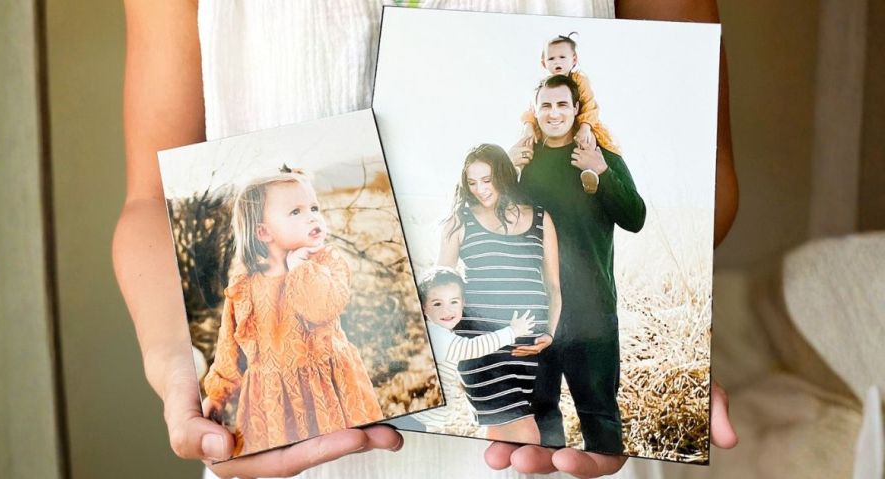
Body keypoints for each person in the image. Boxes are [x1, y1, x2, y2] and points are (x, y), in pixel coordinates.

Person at [117, 1, 739, 477]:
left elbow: (705, 170)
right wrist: (178, 363)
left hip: (552, 441)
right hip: (290, 448)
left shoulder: (567, 167)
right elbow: (150, 199)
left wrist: (602, 312)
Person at [201, 171, 383, 457]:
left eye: (314, 208)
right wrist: (217, 394)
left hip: (328, 385)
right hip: (274, 396)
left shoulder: (326, 262)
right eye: (296, 211)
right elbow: (230, 345)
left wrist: (300, 267)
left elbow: (321, 307)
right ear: (263, 232)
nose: (312, 217)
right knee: (285, 457)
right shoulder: (245, 283)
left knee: (352, 448)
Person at [511, 73, 645, 453]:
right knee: (541, 415)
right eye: (546, 105)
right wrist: (507, 168)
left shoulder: (602, 156)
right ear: (535, 112)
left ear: (575, 109)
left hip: (593, 310)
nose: (554, 113)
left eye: (562, 104)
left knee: (600, 415)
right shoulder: (524, 163)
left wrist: (600, 170)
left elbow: (635, 218)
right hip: (535, 310)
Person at [437, 143, 561, 445]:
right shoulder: (459, 223)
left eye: (487, 179)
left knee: (502, 441)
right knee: (528, 437)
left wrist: (550, 334)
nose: (480, 189)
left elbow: (554, 286)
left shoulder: (541, 219)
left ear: (504, 176)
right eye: (472, 182)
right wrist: (452, 344)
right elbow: (439, 287)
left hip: (527, 350)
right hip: (481, 347)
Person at [410, 267, 535, 433]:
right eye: (437, 303)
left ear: (463, 303)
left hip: (423, 416)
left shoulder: (439, 331)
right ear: (424, 307)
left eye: (453, 301)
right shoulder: (435, 334)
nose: (447, 310)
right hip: (418, 417)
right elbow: (471, 348)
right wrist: (512, 332)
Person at [519, 33, 619, 153]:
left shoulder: (579, 80)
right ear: (544, 63)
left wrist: (585, 126)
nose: (557, 62)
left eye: (562, 57)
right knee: (529, 139)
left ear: (574, 59)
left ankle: (588, 169)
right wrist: (528, 126)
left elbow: (589, 105)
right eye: (551, 58)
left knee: (589, 139)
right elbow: (532, 109)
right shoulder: (543, 87)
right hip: (554, 127)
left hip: (582, 122)